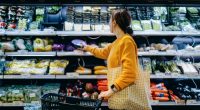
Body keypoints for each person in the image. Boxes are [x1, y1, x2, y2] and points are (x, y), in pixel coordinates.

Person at [83, 9, 152, 110]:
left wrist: (110, 91)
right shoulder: (117, 42)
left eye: (109, 20)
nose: (108, 24)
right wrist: (87, 47)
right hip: (121, 95)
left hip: (127, 99)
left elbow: (129, 74)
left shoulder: (127, 42)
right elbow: (102, 52)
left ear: (114, 22)